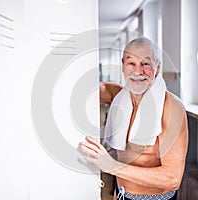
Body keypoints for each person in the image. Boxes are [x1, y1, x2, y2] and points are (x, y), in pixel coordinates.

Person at [78, 37, 188, 200]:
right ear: (123, 66)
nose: (137, 71)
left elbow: (172, 178)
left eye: (145, 64)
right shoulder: (119, 97)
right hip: (121, 194)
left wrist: (112, 166)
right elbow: (94, 89)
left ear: (157, 68)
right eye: (131, 63)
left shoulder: (172, 108)